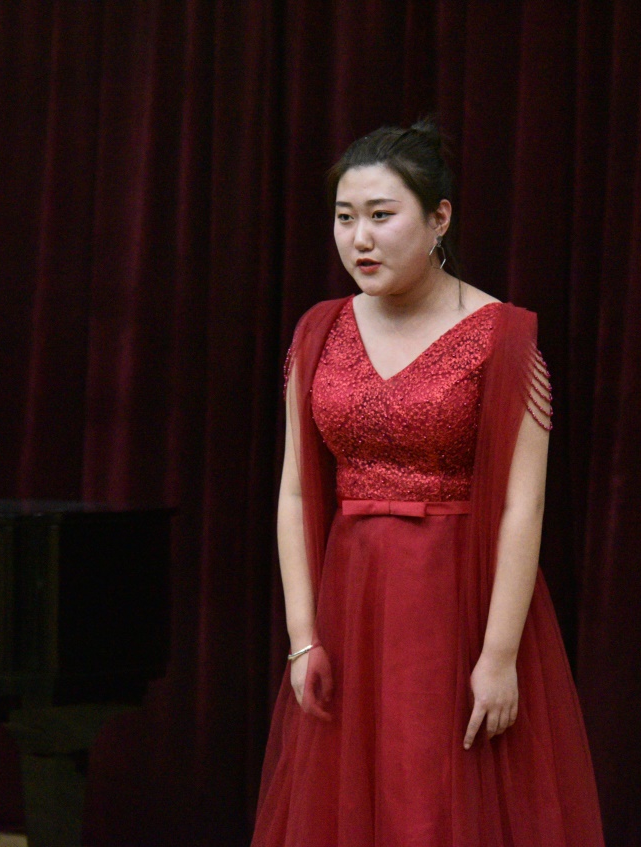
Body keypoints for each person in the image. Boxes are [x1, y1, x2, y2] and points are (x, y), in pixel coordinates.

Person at [252, 120, 604, 847]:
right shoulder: (317, 331)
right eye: (345, 218)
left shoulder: (504, 337)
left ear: (439, 218)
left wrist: (498, 656)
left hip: (458, 604)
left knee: (442, 804)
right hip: (352, 607)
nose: (359, 239)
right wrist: (302, 637)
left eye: (382, 215)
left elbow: (522, 505)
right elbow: (294, 492)